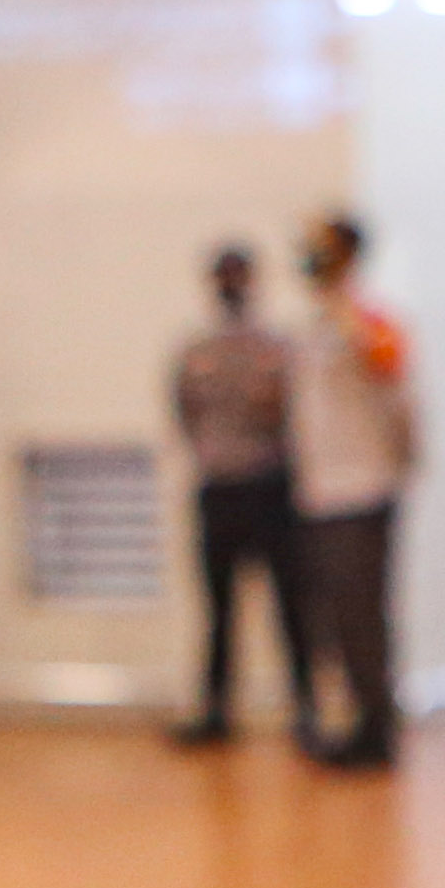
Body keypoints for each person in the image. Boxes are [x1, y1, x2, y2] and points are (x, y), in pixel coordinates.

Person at [170, 241, 314, 751]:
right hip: (219, 488)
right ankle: (215, 709)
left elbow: (296, 416)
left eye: (239, 275)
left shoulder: (278, 347)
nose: (231, 285)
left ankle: (307, 710)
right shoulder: (194, 350)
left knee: (290, 607)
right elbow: (183, 413)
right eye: (224, 276)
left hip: (271, 487)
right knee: (219, 609)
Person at [287, 212, 418, 771]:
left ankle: (378, 730)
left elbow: (388, 368)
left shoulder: (370, 320)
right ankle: (359, 719)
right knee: (338, 618)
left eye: (324, 251)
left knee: (364, 616)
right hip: (321, 492)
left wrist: (343, 302)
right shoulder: (312, 328)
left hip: (363, 491)